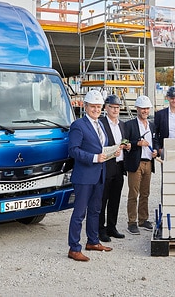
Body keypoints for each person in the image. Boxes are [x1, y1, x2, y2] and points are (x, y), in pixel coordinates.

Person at [67, 90, 115, 262]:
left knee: (95, 210)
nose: (96, 109)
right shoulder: (78, 125)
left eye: (98, 107)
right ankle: (74, 248)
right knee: (79, 213)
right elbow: (73, 150)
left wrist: (111, 152)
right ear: (85, 106)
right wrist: (94, 158)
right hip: (84, 176)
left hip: (99, 174)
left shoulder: (100, 124)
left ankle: (93, 241)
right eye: (93, 106)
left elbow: (100, 146)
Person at [123, 95, 158, 235]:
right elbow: (124, 142)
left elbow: (155, 142)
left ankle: (143, 219)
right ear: (137, 108)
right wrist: (137, 143)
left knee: (145, 193)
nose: (145, 111)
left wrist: (156, 150)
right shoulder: (129, 125)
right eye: (142, 108)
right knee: (133, 193)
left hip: (148, 162)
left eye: (147, 108)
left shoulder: (152, 125)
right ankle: (132, 222)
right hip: (135, 163)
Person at [97, 94, 128, 243]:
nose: (115, 110)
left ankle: (112, 227)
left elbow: (124, 141)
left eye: (117, 107)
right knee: (103, 199)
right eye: (112, 107)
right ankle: (100, 229)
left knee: (115, 199)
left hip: (119, 166)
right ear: (106, 108)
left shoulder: (122, 124)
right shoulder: (101, 124)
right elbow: (99, 145)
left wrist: (127, 146)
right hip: (106, 166)